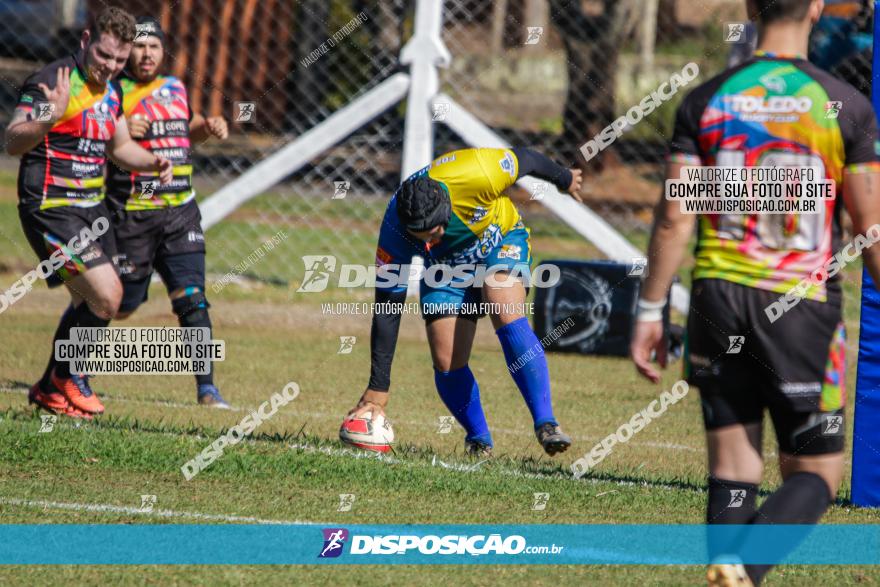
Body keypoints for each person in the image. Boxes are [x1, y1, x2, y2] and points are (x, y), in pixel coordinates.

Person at [630, 0, 880, 584]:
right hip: (800, 311)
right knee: (816, 473)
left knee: (734, 465)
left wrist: (649, 308)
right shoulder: (843, 105)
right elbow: (870, 230)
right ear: (817, 8)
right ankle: (745, 566)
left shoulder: (707, 99)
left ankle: (727, 568)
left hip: (717, 299)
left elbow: (674, 217)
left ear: (749, 7)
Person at [341, 147, 582, 456]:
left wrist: (564, 179)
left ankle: (547, 423)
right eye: (422, 237)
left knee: (502, 303)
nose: (429, 241)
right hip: (446, 269)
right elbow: (388, 306)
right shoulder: (394, 228)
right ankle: (479, 440)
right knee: (446, 358)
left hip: (501, 240)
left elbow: (529, 159)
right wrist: (378, 386)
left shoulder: (478, 171)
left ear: (448, 207)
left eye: (436, 232)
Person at [5, 7, 173, 418]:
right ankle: (69, 376)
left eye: (120, 60)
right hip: (50, 208)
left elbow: (118, 149)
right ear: (85, 41)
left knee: (91, 300)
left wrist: (152, 161)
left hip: (90, 212)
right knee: (107, 295)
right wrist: (51, 113)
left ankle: (49, 387)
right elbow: (13, 139)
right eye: (104, 56)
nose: (111, 67)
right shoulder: (51, 82)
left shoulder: (112, 90)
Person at [105, 16, 230, 408]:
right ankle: (72, 375)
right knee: (119, 305)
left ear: (162, 50)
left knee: (192, 298)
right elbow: (98, 143)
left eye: (153, 46)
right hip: (133, 215)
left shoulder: (175, 87)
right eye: (139, 46)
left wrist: (208, 127)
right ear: (128, 52)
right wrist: (121, 128)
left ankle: (207, 389)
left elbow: (185, 127)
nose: (146, 54)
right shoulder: (112, 92)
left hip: (180, 213)